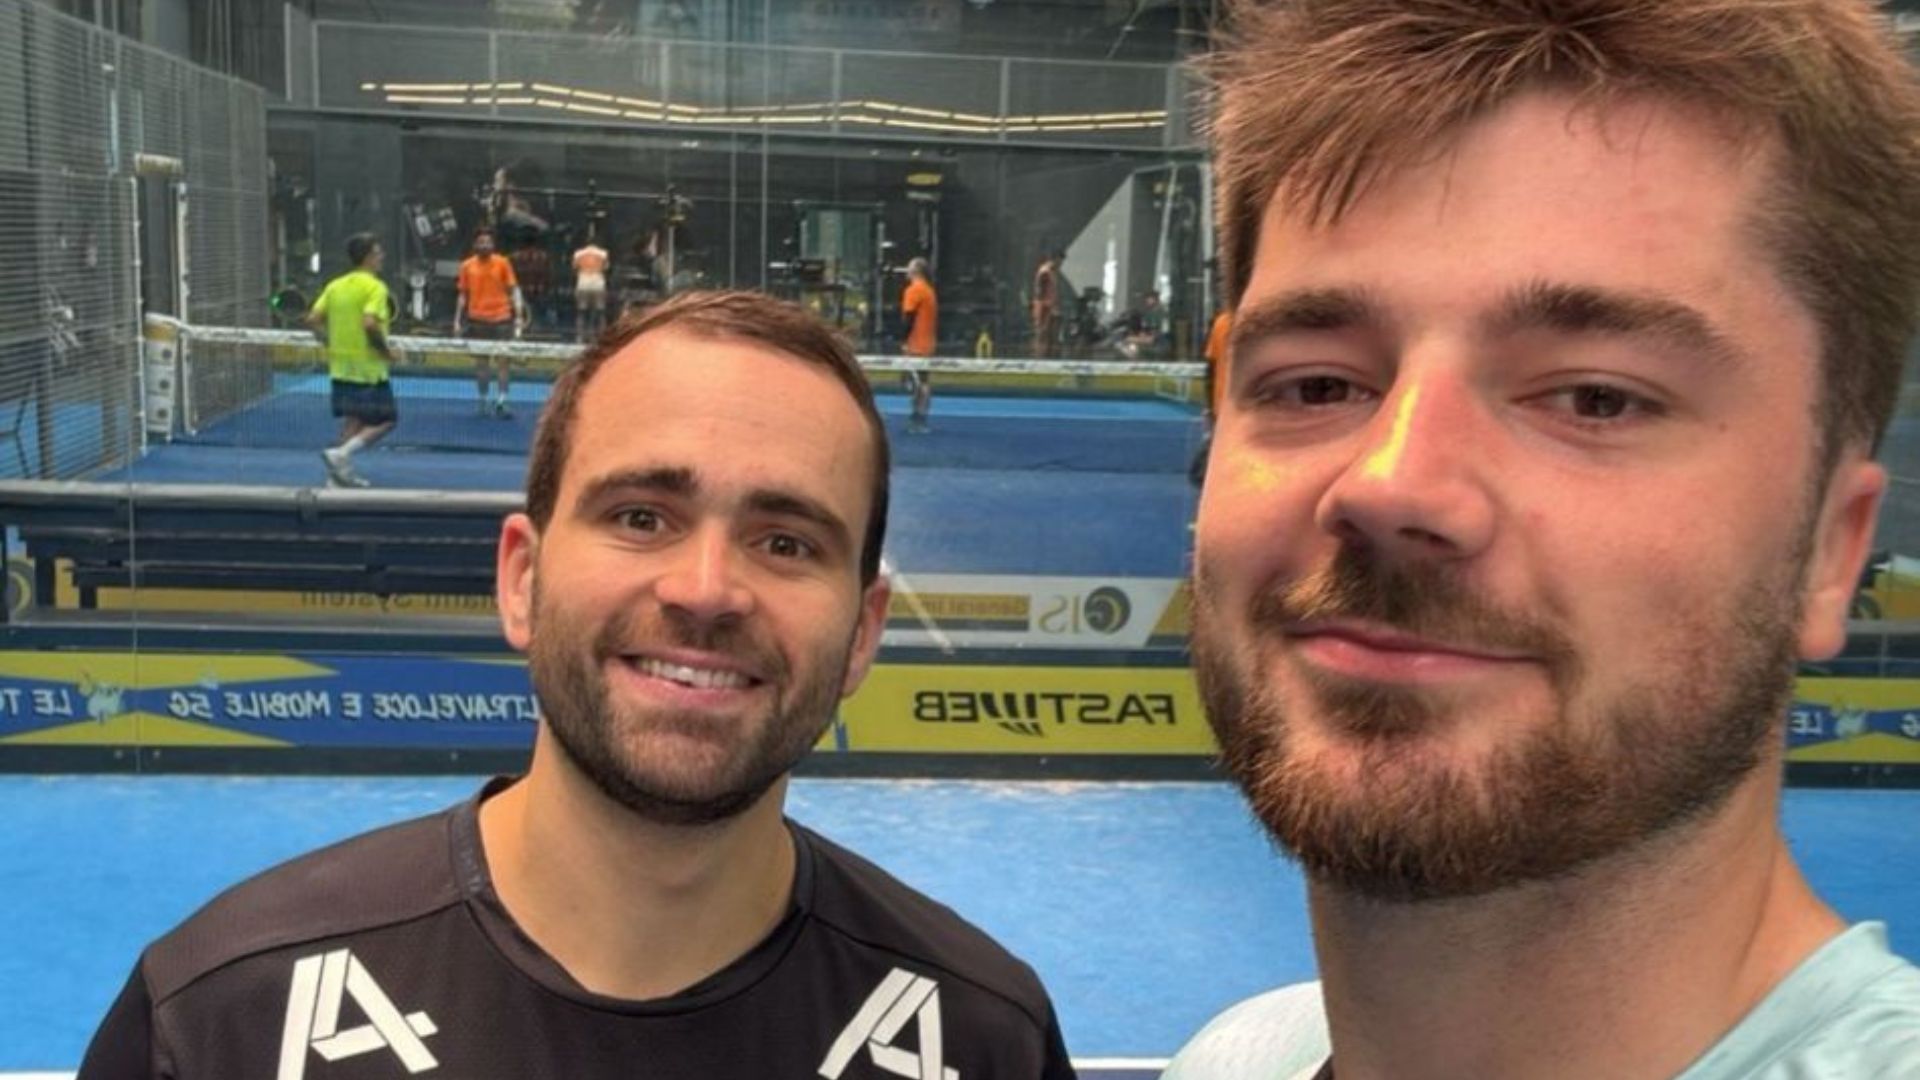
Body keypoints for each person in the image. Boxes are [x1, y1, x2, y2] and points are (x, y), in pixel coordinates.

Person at [1169, 2, 1920, 1078]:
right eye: (1318, 383)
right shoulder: (1234, 1058)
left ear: (1830, 552)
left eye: (1596, 398)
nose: (1390, 483)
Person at [75, 290, 1076, 1080]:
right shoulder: (219, 1022)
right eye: (641, 517)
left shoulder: (985, 1042)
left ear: (862, 633)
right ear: (521, 579)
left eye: (786, 542)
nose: (706, 591)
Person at [305, 232, 397, 489]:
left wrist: (330, 343)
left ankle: (337, 478)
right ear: (368, 257)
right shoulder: (376, 287)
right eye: (378, 253)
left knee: (353, 421)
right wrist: (386, 353)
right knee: (387, 420)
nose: (382, 257)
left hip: (340, 368)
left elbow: (312, 320)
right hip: (368, 371)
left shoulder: (335, 286)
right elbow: (369, 323)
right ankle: (342, 454)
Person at [455, 227, 525, 419]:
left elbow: (514, 289)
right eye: (481, 242)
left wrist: (518, 316)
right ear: (475, 245)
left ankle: (502, 401)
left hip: (502, 319)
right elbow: (462, 295)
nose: (485, 245)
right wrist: (457, 321)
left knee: (503, 363)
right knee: (481, 364)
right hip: (477, 321)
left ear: (493, 245)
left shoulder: (503, 263)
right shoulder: (466, 266)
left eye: (488, 242)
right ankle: (483, 399)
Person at [900, 256, 938, 434]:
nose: (906, 271)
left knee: (917, 383)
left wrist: (903, 340)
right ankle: (920, 416)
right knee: (923, 381)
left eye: (909, 268)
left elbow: (908, 318)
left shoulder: (914, 291)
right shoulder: (929, 290)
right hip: (927, 343)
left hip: (916, 345)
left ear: (916, 271)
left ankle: (918, 418)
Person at [573, 229, 610, 343]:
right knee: (600, 312)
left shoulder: (578, 254)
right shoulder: (603, 254)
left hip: (583, 282)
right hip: (598, 283)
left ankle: (580, 336)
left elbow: (575, 268)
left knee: (581, 312)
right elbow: (606, 268)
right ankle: (601, 336)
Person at [1031, 249, 1062, 359]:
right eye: (1059, 261)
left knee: (1051, 333)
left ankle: (1048, 355)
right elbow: (1038, 290)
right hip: (1044, 306)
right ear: (1055, 259)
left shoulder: (1053, 272)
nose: (1060, 264)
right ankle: (1038, 355)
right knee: (1041, 332)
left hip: (1050, 306)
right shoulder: (1045, 271)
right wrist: (1044, 305)